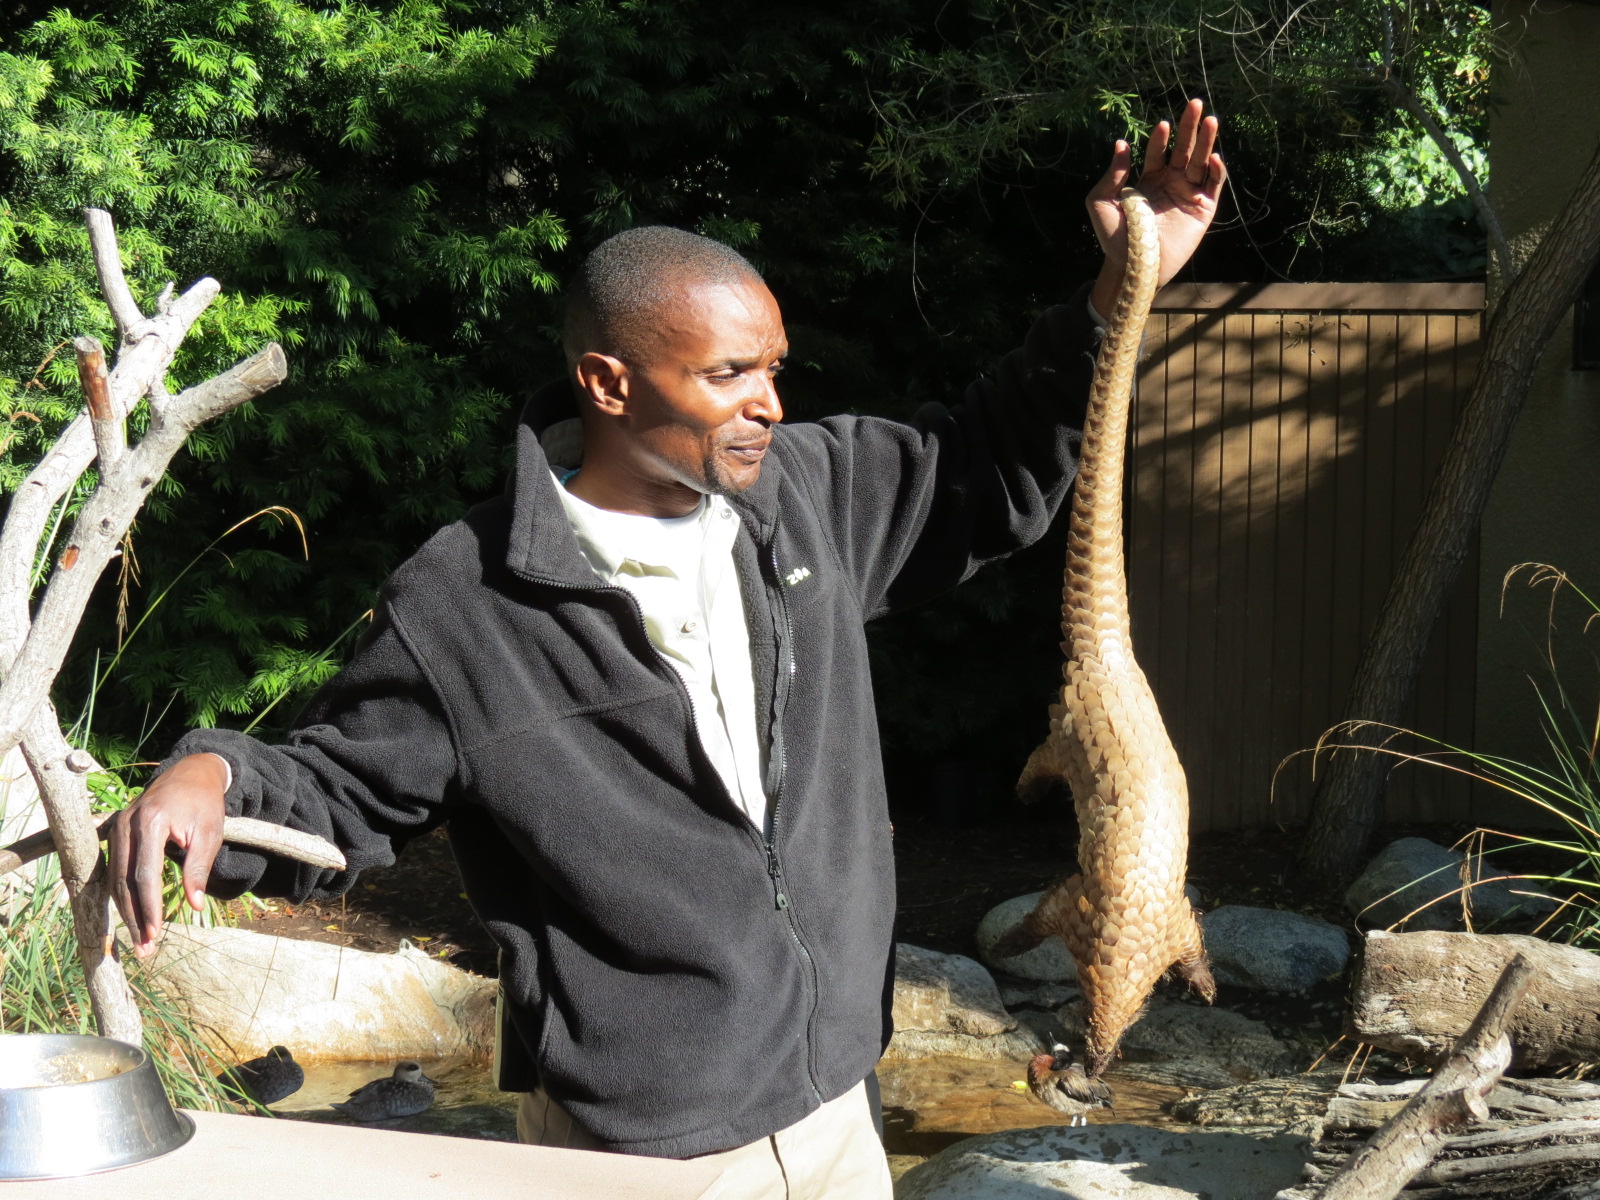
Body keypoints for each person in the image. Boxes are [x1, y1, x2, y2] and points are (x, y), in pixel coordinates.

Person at [108, 102, 1224, 1198]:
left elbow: (990, 459)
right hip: (638, 1151)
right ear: (608, 382)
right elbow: (342, 783)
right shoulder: (474, 598)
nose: (770, 406)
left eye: (775, 369)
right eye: (729, 375)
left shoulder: (805, 502)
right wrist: (214, 775)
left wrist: (1123, 286)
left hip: (835, 1109)